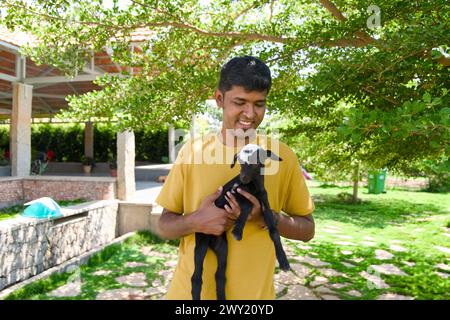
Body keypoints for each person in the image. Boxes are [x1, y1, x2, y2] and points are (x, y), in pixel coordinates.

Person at [156, 56, 315, 300]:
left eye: (259, 104)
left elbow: (307, 230)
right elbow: (164, 226)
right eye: (240, 102)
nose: (250, 114)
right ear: (219, 99)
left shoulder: (283, 157)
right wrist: (196, 221)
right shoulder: (192, 151)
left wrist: (267, 216)